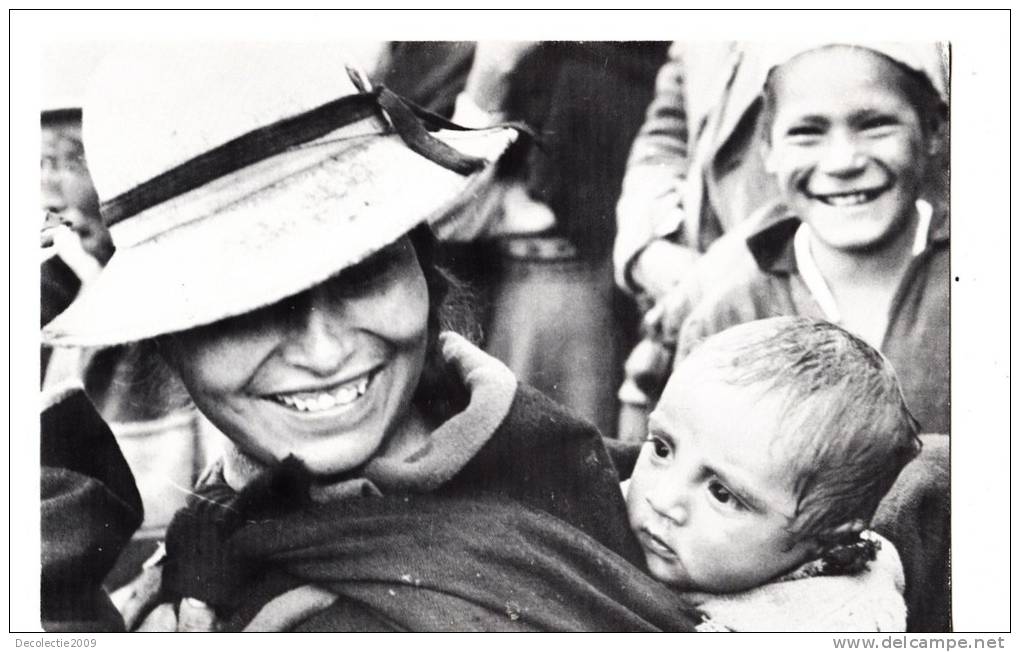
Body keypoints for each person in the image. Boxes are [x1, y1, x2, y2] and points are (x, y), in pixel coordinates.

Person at [41, 42, 696, 632]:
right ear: (166, 341)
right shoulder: (209, 536)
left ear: (424, 268)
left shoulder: (636, 493)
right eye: (242, 308)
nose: (324, 352)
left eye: (360, 273)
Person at [612, 42, 949, 440]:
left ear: (934, 130)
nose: (843, 162)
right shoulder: (727, 311)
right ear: (767, 150)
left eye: (875, 125)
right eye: (807, 133)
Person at [623, 317, 920, 631]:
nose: (662, 499)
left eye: (721, 494)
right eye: (661, 448)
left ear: (825, 538)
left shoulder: (834, 621)